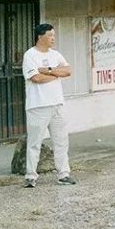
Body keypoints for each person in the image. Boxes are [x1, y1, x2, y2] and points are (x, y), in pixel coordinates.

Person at [22, 23, 76, 188]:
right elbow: (36, 78)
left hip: (57, 104)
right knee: (35, 142)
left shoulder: (55, 55)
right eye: (50, 35)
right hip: (38, 106)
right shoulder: (30, 55)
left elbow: (67, 71)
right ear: (40, 37)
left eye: (54, 35)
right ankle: (31, 176)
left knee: (61, 141)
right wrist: (56, 76)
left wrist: (49, 70)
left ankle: (63, 174)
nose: (53, 38)